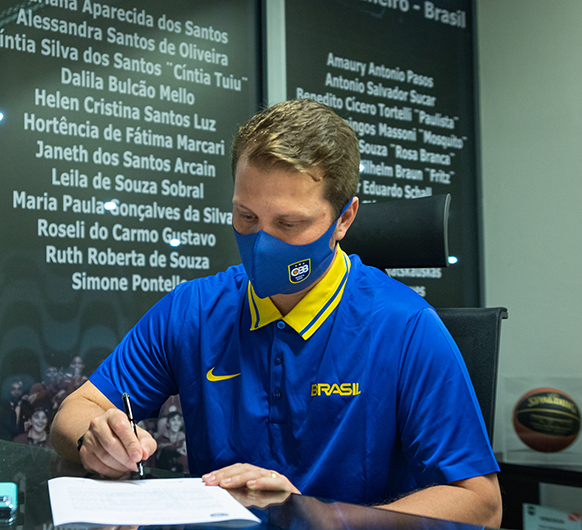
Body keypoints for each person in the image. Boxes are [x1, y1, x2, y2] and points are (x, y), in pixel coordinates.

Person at [51, 99, 502, 527]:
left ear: (344, 219)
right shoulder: (195, 309)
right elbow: (76, 411)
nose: (262, 244)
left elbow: (481, 504)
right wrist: (96, 439)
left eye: (288, 224)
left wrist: (320, 517)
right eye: (246, 217)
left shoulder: (404, 326)